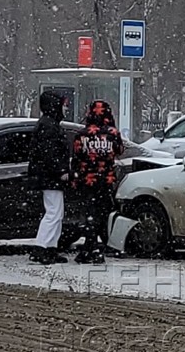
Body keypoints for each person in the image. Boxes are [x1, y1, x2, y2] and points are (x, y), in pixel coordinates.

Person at [66, 99, 126, 264]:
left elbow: (77, 156)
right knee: (102, 212)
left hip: (86, 180)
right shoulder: (113, 133)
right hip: (106, 179)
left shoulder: (82, 134)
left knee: (89, 212)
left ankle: (90, 246)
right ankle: (95, 247)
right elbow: (119, 151)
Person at [25, 91, 71, 264]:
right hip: (50, 177)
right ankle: (42, 247)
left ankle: (50, 247)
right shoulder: (49, 126)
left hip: (48, 175)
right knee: (53, 212)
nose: (65, 108)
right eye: (63, 105)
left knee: (55, 212)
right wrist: (61, 170)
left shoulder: (48, 124)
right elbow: (50, 153)